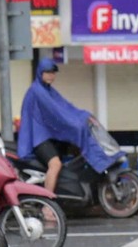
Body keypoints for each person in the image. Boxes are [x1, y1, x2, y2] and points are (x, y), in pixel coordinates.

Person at [18, 57, 115, 194]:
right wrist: (75, 123)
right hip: (38, 139)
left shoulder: (49, 90)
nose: (51, 75)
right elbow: (57, 114)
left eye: (53, 73)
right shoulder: (37, 91)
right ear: (40, 73)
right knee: (55, 165)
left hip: (48, 136)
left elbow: (66, 107)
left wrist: (84, 116)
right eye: (48, 72)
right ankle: (47, 205)